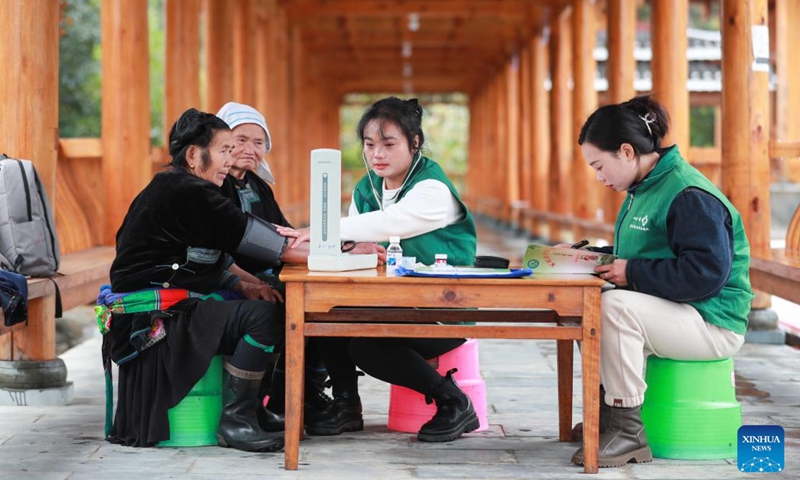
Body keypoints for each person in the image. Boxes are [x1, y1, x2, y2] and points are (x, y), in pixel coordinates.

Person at [98, 108, 302, 453]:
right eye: (224, 149)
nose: (231, 158)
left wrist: (245, 285)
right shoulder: (190, 192)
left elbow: (204, 257)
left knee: (270, 301)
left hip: (169, 309)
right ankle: (236, 419)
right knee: (267, 317)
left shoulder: (177, 186)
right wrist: (349, 254)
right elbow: (271, 246)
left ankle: (252, 410)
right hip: (152, 325)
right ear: (194, 155)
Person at [279, 96, 480, 443]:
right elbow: (362, 240)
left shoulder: (432, 189)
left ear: (414, 143)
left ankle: (454, 401)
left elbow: (389, 223)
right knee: (328, 312)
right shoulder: (365, 189)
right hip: (392, 302)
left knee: (367, 346)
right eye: (370, 145)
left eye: (389, 144)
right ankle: (346, 405)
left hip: (443, 309)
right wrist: (352, 245)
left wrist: (326, 228)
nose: (377, 155)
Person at [568, 95, 753, 468]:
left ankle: (627, 430)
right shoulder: (646, 186)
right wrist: (583, 256)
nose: (599, 177)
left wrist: (630, 272)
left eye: (600, 166)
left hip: (712, 321)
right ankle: (608, 415)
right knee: (588, 298)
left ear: (626, 151)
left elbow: (705, 274)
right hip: (681, 311)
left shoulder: (687, 194)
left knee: (614, 306)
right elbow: (648, 250)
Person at [214, 101, 330, 431]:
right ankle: (269, 401)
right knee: (292, 301)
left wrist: (341, 246)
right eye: (240, 139)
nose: (250, 149)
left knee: (323, 301)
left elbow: (286, 236)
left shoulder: (258, 186)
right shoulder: (212, 185)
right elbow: (222, 250)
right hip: (230, 276)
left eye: (259, 142)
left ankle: (304, 394)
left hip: (268, 270)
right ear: (219, 142)